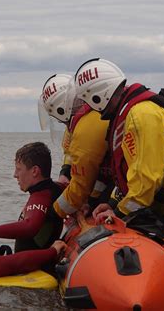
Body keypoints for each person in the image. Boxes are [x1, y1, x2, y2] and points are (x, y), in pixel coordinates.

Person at [72, 58, 164, 235]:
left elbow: (146, 180)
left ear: (98, 95)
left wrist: (119, 213)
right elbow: (132, 176)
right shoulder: (131, 114)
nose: (89, 107)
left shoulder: (141, 116)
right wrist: (112, 204)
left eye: (88, 101)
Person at [38, 74, 112, 219]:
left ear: (61, 109)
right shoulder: (80, 120)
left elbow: (82, 184)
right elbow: (70, 153)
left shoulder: (87, 126)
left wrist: (54, 213)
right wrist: (65, 172)